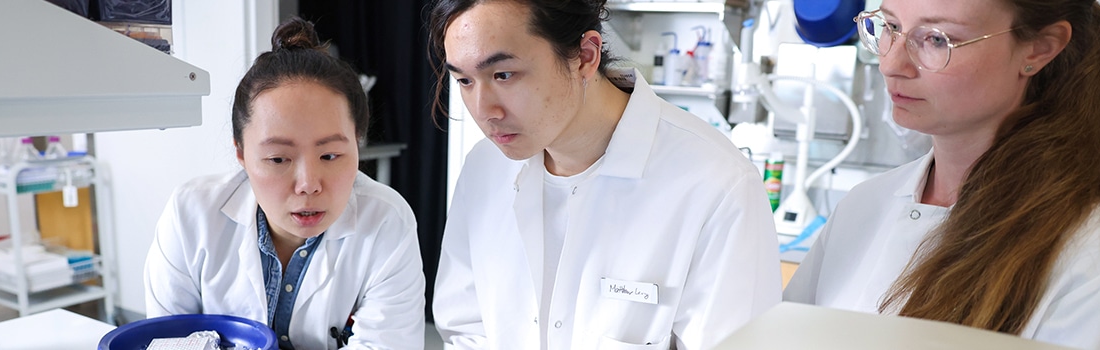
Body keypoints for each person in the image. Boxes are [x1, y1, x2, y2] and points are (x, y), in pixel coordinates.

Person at [428, 1, 782, 348]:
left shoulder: (717, 186)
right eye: (464, 80)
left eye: (503, 75)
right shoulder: (484, 167)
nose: (483, 110)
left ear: (585, 55)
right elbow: (466, 328)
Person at [784, 0, 1100, 348]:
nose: (892, 65)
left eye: (937, 39)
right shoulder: (864, 205)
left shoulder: (1094, 250)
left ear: (1039, 48)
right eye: (891, 28)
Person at [144, 17, 425, 350]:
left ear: (357, 144)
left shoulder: (387, 223)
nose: (307, 185)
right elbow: (167, 342)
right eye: (278, 159)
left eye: (331, 156)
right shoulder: (191, 215)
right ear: (241, 152)